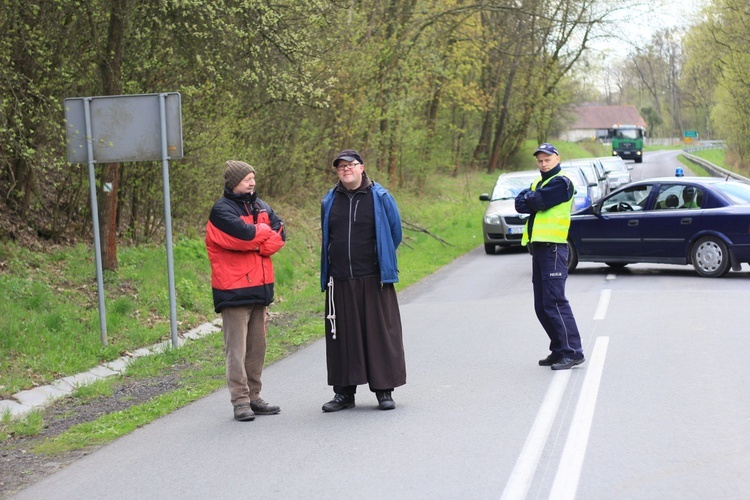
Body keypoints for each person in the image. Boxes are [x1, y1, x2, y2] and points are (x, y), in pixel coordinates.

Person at [319, 149, 406, 411]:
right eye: (340, 167)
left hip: (374, 278)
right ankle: (344, 393)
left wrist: (383, 260)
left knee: (379, 336)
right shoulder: (330, 200)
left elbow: (394, 233)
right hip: (340, 279)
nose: (346, 170)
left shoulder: (379, 197)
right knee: (343, 338)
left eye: (350, 165)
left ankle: (384, 391)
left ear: (361, 168)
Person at [205, 160, 286, 421]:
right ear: (233, 182)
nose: (252, 182)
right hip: (234, 291)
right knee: (236, 351)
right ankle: (240, 401)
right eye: (246, 178)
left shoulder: (261, 206)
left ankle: (255, 397)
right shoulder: (221, 210)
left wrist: (259, 240)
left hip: (260, 290)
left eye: (253, 177)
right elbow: (243, 236)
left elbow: (280, 233)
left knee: (257, 348)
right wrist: (261, 234)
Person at [515, 143, 585, 370]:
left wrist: (531, 198)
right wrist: (530, 197)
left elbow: (535, 201)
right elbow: (520, 204)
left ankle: (573, 351)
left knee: (555, 301)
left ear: (557, 158)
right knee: (541, 304)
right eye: (540, 160)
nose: (543, 164)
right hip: (539, 248)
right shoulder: (539, 183)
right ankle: (558, 349)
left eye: (547, 159)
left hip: (554, 247)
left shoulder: (562, 182)